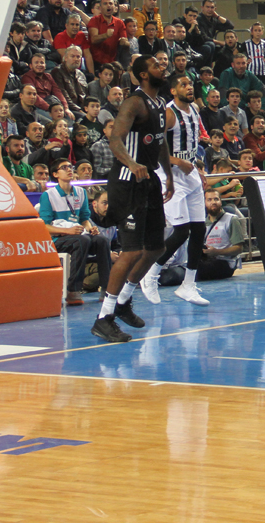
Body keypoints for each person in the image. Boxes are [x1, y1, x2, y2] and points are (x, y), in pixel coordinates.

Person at [91, 55, 174, 343]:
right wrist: (130, 163)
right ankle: (104, 318)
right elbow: (115, 139)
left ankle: (124, 300)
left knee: (154, 248)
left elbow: (161, 143)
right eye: (155, 66)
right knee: (130, 251)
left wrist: (169, 176)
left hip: (148, 179)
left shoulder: (161, 105)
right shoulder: (133, 102)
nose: (162, 67)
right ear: (142, 75)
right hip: (127, 182)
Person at [138, 74, 211, 307]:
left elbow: (192, 145)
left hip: (190, 174)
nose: (189, 88)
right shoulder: (168, 114)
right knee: (181, 231)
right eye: (183, 85)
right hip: (169, 176)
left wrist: (198, 168)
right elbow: (151, 148)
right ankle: (151, 273)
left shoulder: (196, 110)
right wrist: (178, 163)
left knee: (199, 229)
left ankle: (188, 285)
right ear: (172, 90)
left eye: (190, 84)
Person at [37, 158, 112, 306]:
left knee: (102, 240)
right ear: (55, 174)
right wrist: (67, 231)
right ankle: (73, 290)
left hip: (79, 235)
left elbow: (84, 219)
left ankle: (106, 288)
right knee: (82, 240)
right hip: (58, 239)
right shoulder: (49, 195)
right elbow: (44, 227)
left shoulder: (81, 192)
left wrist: (91, 228)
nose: (69, 169)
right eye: (64, 167)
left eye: (70, 166)